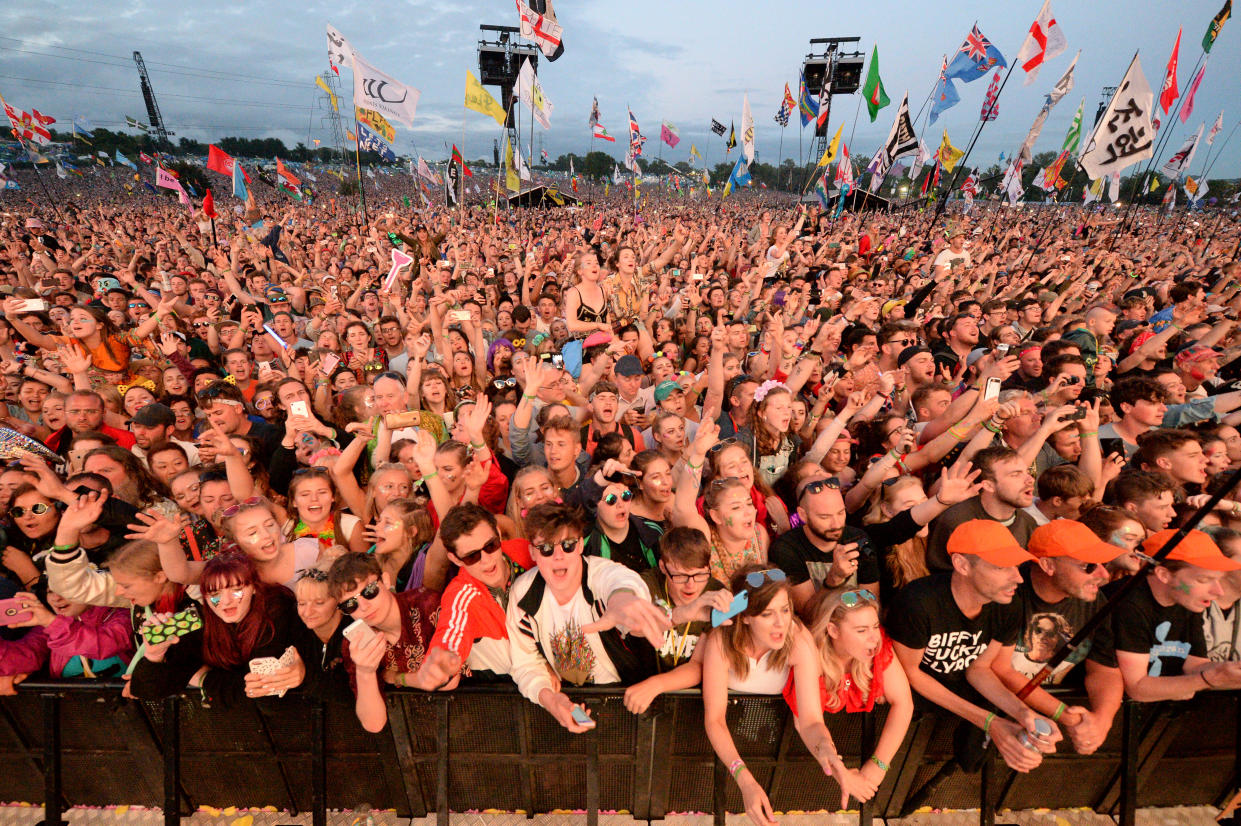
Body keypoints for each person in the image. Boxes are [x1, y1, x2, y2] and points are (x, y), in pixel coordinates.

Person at [701, 565, 875, 825]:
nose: (781, 623)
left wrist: (828, 752)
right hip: (726, 746)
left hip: (773, 735)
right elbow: (715, 719)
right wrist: (744, 779)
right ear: (745, 617)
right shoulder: (720, 642)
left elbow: (810, 720)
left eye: (785, 610)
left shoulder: (798, 640)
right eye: (767, 614)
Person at [887, 520, 1062, 774]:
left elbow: (979, 668)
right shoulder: (917, 602)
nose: (1017, 577)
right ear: (962, 565)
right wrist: (989, 721)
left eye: (1016, 565)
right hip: (909, 711)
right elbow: (911, 674)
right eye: (1002, 567)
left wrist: (1023, 713)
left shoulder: (1008, 602)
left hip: (961, 706)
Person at [506, 503, 668, 732]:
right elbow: (525, 663)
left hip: (624, 702)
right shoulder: (524, 594)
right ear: (533, 552)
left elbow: (621, 581)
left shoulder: (600, 574)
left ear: (581, 544)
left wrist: (622, 600)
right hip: (567, 703)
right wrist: (550, 700)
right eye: (546, 549)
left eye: (568, 545)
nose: (559, 557)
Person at [991, 520, 1125, 755]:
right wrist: (1068, 717)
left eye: (1104, 564)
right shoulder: (1009, 592)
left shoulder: (1094, 601)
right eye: (1088, 566)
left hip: (1048, 727)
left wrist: (1101, 722)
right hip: (998, 717)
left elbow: (1104, 669)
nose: (1103, 575)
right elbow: (998, 669)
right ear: (1047, 565)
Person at [786, 588, 914, 794]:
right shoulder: (810, 655)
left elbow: (904, 703)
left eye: (874, 626)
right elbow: (807, 723)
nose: (874, 637)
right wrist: (842, 775)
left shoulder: (876, 646)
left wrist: (878, 766)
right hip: (797, 754)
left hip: (849, 745)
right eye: (861, 630)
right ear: (833, 631)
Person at [1106, 529, 1241, 700]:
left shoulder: (1185, 598)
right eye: (1203, 580)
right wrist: (1209, 679)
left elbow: (1194, 665)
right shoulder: (1128, 603)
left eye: (1218, 579)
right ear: (1163, 574)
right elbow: (1137, 688)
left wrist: (1228, 672)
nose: (1218, 591)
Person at [328, 552, 441, 732]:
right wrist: (365, 672)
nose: (364, 607)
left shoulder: (427, 604)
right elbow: (373, 724)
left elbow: (448, 679)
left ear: (386, 581)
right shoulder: (355, 644)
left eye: (369, 591)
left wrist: (397, 678)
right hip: (413, 735)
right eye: (350, 604)